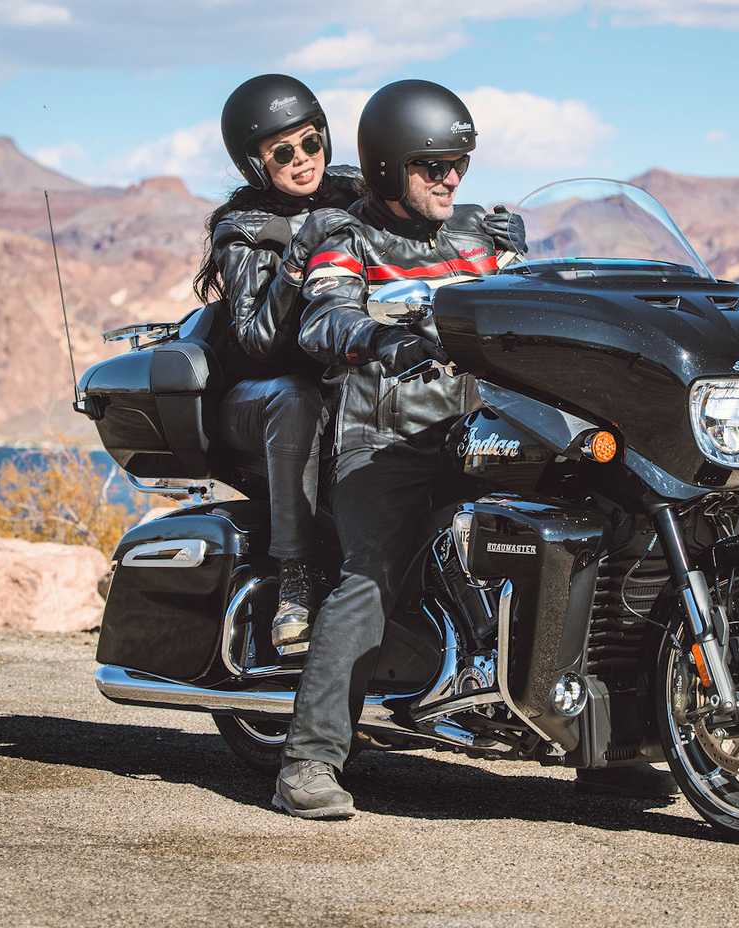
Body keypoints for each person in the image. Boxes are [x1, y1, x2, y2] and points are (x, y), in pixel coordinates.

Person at [271, 79, 528, 819]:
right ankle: (309, 761)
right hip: (385, 438)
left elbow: (525, 308)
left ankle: (618, 745)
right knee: (371, 574)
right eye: (434, 166)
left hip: (480, 430)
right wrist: (378, 336)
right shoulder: (344, 240)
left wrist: (531, 272)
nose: (452, 178)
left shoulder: (477, 238)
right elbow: (322, 321)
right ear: (386, 169)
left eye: (460, 164)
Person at [192, 73, 363, 651]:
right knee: (297, 395)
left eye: (311, 143)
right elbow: (257, 338)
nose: (302, 161)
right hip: (255, 397)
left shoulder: (353, 193)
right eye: (282, 152)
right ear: (256, 163)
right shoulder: (241, 228)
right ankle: (295, 579)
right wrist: (298, 252)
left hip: (341, 378)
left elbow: (415, 231)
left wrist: (476, 235)